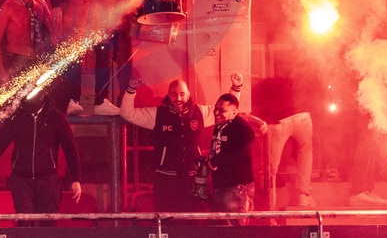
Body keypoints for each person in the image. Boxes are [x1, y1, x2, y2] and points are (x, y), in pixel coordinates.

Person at [120, 74, 243, 212]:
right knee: (167, 220)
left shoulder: (200, 112)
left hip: (195, 179)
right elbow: (127, 113)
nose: (178, 98)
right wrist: (131, 90)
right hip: (166, 181)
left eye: (182, 94)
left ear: (188, 95)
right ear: (168, 95)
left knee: (195, 219)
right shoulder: (157, 114)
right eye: (174, 94)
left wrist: (235, 88)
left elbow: (228, 109)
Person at [0, 90, 82, 218]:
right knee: (24, 222)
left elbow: (70, 148)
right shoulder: (17, 116)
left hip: (48, 179)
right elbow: (0, 142)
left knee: (47, 223)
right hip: (21, 179)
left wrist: (75, 179)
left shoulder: (56, 117)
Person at [252, 77, 315, 207]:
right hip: (302, 116)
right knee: (305, 152)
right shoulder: (287, 81)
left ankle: (268, 202)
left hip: (279, 122)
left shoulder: (259, 89)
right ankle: (304, 196)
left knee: (270, 166)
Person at [0, 0, 51, 84]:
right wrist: (2, 72)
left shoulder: (40, 3)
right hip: (16, 62)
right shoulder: (8, 8)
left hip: (37, 59)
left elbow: (52, 30)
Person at [209, 93, 255, 225]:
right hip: (220, 187)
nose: (216, 113)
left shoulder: (242, 128)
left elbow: (245, 154)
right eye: (215, 108)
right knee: (220, 230)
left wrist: (218, 159)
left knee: (233, 230)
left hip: (236, 188)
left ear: (234, 112)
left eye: (221, 110)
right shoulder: (220, 126)